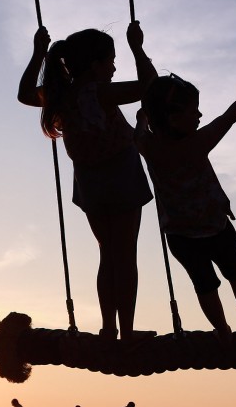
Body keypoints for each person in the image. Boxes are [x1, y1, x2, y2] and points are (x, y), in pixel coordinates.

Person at [18, 23, 157, 343]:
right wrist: (137, 47)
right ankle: (127, 331)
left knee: (108, 254)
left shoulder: (61, 96)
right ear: (95, 66)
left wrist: (39, 53)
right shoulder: (102, 92)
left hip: (90, 183)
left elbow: (25, 93)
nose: (114, 67)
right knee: (125, 256)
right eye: (110, 60)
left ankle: (109, 328)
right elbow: (153, 87)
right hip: (122, 177)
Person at [136, 73, 236, 345]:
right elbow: (229, 118)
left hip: (178, 235)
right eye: (194, 111)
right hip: (215, 228)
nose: (200, 114)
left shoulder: (148, 146)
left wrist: (142, 118)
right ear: (174, 118)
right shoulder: (197, 143)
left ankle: (222, 331)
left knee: (205, 285)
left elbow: (138, 133)